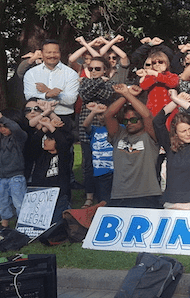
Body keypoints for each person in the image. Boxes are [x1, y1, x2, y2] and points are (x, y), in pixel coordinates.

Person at [103, 84, 162, 208]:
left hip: (146, 195)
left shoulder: (150, 136)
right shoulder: (119, 134)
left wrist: (128, 95)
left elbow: (147, 115)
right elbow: (108, 115)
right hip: (119, 195)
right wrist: (126, 95)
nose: (129, 123)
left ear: (141, 121)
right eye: (126, 121)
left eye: (134, 120)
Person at [77, 56, 115, 207]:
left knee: (105, 160)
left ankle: (106, 192)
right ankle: (89, 196)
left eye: (97, 69)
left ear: (105, 69)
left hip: (103, 125)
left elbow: (107, 95)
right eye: (90, 68)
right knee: (88, 163)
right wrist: (100, 82)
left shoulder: (110, 83)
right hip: (85, 122)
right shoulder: (88, 81)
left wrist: (93, 88)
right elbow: (84, 95)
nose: (93, 71)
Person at [23, 40, 80, 130]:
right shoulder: (31, 73)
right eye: (48, 52)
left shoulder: (71, 74)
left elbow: (71, 99)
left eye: (55, 52)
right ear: (42, 53)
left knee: (63, 143)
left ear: (60, 53)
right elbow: (29, 96)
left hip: (64, 117)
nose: (52, 55)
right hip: (37, 117)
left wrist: (47, 90)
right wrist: (46, 95)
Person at [0, 111, 28, 228]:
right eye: (0, 127)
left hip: (16, 176)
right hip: (2, 177)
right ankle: (4, 224)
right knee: (2, 202)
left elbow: (15, 129)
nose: (3, 129)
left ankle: (22, 224)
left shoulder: (19, 138)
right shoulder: (2, 139)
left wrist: (2, 118)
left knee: (19, 202)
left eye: (5, 126)